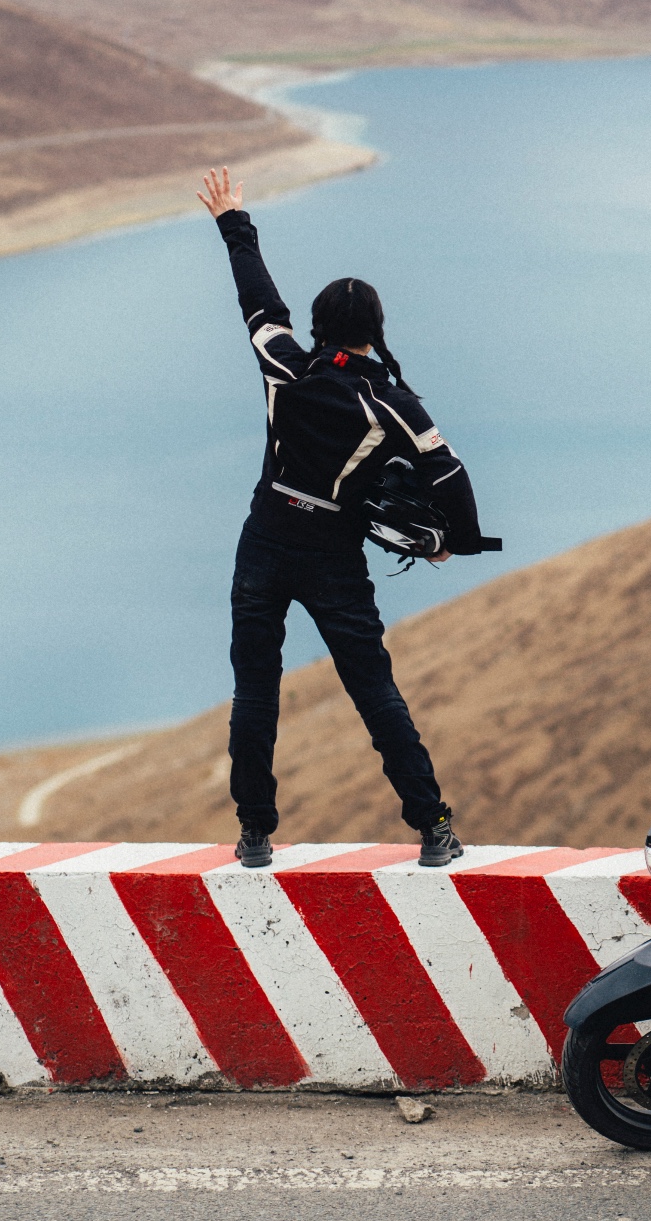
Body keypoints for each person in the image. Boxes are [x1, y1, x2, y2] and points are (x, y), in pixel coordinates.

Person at [198, 166, 491, 869]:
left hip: (263, 541)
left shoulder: (285, 365)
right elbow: (448, 473)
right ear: (375, 331)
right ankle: (434, 830)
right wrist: (455, 544)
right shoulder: (392, 403)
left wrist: (233, 222)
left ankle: (254, 836)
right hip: (332, 556)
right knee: (373, 691)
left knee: (255, 692)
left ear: (319, 324)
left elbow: (258, 303)